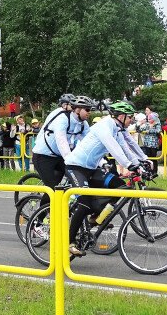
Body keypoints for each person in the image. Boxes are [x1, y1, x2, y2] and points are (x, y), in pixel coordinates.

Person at [64, 101, 151, 256]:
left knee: (120, 186)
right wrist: (129, 165)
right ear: (121, 116)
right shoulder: (104, 126)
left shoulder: (117, 129)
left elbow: (126, 146)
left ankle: (96, 215)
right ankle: (69, 242)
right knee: (84, 202)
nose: (132, 120)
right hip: (75, 167)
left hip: (91, 169)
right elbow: (114, 148)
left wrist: (141, 162)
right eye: (130, 117)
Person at [31, 95, 95, 206]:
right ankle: (40, 218)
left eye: (91, 110)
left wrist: (100, 160)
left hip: (58, 156)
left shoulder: (83, 124)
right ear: (78, 109)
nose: (90, 112)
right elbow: (62, 142)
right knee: (53, 189)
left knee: (64, 184)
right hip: (43, 156)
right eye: (87, 110)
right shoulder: (62, 118)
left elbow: (90, 142)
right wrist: (70, 159)